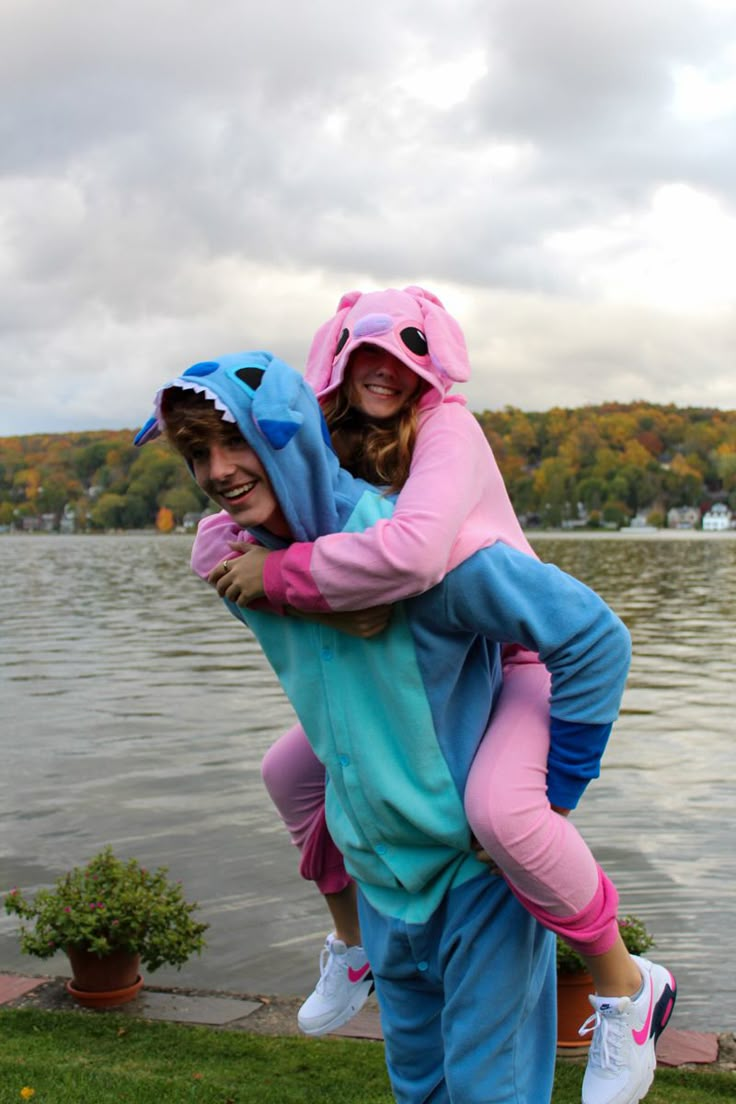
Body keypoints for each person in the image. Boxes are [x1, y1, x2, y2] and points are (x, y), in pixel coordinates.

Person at [136, 350, 673, 1104]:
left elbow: (593, 638)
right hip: (381, 879)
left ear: (291, 439)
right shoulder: (243, 565)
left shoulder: (421, 558)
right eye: (199, 455)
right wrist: (305, 586)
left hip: (472, 882)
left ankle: (628, 988)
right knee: (418, 1088)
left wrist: (551, 799)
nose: (219, 471)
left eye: (239, 445)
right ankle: (348, 948)